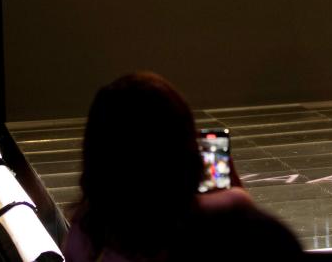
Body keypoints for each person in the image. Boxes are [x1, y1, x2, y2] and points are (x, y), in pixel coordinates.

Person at [63, 72, 304, 262]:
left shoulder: (83, 233)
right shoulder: (229, 214)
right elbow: (247, 222)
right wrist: (229, 184)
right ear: (187, 146)